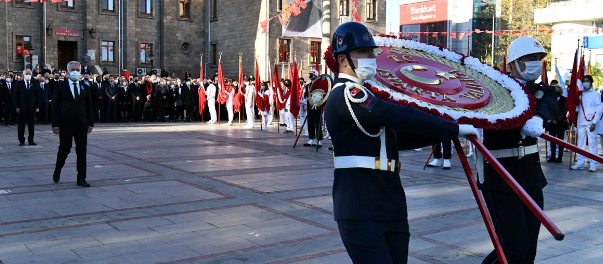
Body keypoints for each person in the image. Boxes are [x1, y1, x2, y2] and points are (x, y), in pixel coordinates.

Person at [325, 22, 478, 263]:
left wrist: (449, 132)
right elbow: (400, 115)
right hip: (361, 206)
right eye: (363, 53)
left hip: (390, 201)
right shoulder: (346, 94)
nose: (371, 58)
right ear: (343, 60)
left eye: (371, 52)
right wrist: (453, 126)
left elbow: (398, 138)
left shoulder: (367, 94)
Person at [478, 36, 557, 263]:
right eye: (529, 58)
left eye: (538, 58)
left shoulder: (542, 91)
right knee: (512, 248)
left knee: (529, 249)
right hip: (501, 176)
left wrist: (540, 117)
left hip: (531, 176)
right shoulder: (495, 89)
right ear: (512, 64)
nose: (535, 63)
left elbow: (550, 102)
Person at [52, 61, 94, 187]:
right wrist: (55, 124)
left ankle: (81, 178)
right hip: (65, 124)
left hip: (81, 124)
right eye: (73, 69)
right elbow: (54, 106)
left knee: (82, 151)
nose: (75, 71)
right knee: (64, 149)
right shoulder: (60, 86)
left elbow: (89, 106)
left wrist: (90, 123)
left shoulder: (84, 86)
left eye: (77, 69)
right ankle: (57, 170)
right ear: (68, 71)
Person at [571, 75, 601, 172]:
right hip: (581, 121)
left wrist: (594, 122)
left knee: (593, 144)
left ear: (591, 82)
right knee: (581, 143)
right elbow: (576, 107)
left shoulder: (596, 94)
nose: (585, 83)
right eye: (584, 81)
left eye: (587, 81)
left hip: (591, 122)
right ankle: (580, 163)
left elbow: (599, 109)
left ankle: (593, 164)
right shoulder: (580, 94)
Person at [14, 69, 40, 146]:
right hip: (22, 108)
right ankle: (21, 140)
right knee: (21, 125)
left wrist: (37, 106)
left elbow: (37, 95)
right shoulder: (19, 83)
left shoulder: (34, 83)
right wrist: (17, 106)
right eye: (27, 74)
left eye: (29, 74)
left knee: (31, 125)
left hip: (31, 108)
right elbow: (16, 96)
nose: (28, 75)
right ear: (23, 75)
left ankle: (31, 140)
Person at [546, 80, 568, 163]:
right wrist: (552, 120)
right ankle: (552, 156)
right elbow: (548, 110)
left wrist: (558, 120)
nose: (556, 91)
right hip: (552, 123)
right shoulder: (551, 100)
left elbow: (564, 111)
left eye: (558, 90)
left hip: (560, 123)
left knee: (560, 140)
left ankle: (559, 157)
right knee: (552, 141)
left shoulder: (564, 99)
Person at [304, 71, 325, 146]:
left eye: (312, 74)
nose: (310, 76)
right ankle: (311, 139)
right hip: (309, 106)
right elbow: (306, 95)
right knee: (310, 123)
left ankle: (319, 140)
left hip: (317, 106)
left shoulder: (319, 85)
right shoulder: (308, 85)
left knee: (317, 123)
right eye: (310, 74)